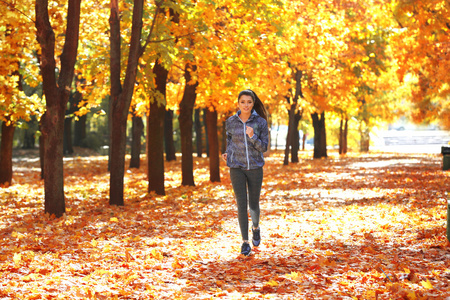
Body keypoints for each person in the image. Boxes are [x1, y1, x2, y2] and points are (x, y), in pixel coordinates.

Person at [222, 89, 269, 256]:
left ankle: (255, 227)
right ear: (238, 103)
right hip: (236, 167)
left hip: (255, 168)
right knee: (241, 204)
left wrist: (253, 136)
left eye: (249, 102)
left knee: (253, 204)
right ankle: (245, 242)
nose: (246, 105)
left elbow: (263, 147)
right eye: (243, 102)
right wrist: (226, 152)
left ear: (253, 103)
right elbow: (228, 140)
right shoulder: (230, 122)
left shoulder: (260, 122)